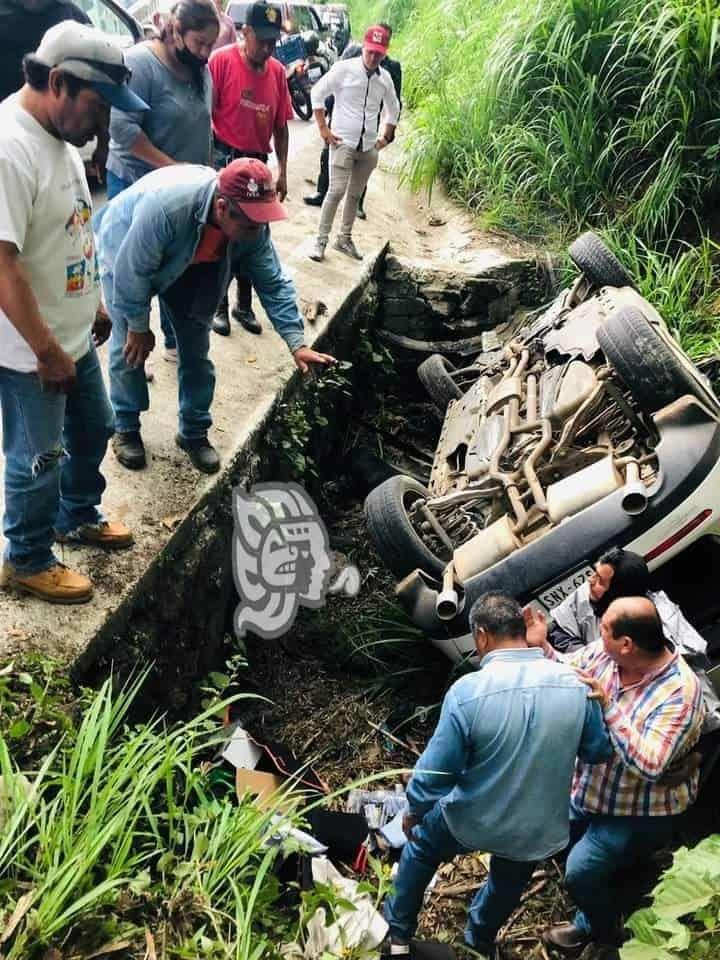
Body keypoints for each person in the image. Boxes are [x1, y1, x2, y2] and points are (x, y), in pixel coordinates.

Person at [0, 23, 148, 604]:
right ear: (58, 82)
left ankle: (76, 513)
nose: (104, 123)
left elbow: (70, 235)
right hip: (29, 350)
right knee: (37, 458)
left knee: (95, 425)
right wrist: (45, 351)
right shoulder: (10, 149)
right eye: (99, 104)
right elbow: (3, 265)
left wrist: (96, 303)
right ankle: (28, 558)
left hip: (73, 334)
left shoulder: (58, 138)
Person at [382, 592, 612, 960]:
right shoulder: (576, 685)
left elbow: (435, 774)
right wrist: (600, 706)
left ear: (482, 636)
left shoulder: (469, 692)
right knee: (508, 881)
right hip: (536, 827)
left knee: (422, 847)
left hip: (472, 818)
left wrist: (414, 809)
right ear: (521, 629)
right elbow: (598, 752)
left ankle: (397, 935)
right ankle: (479, 941)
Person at [94, 158, 336, 474]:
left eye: (262, 223)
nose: (257, 232)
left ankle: (193, 432)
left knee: (196, 350)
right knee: (130, 348)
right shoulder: (168, 209)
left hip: (197, 263)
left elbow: (273, 281)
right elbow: (131, 272)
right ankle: (126, 425)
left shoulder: (251, 229)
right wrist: (139, 327)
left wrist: (296, 342)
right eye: (251, 224)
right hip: (125, 249)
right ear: (222, 207)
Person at [525, 597, 705, 954]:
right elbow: (569, 669)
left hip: (638, 810)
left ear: (627, 643)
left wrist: (608, 707)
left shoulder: (680, 693)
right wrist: (542, 647)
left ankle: (602, 930)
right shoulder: (607, 654)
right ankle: (627, 876)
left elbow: (651, 764)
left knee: (580, 872)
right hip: (591, 788)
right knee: (562, 839)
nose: (597, 629)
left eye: (604, 627)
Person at [106, 0, 219, 362]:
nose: (206, 52)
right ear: (176, 31)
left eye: (211, 45)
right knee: (132, 272)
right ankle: (129, 350)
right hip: (136, 186)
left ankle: (172, 339)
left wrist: (205, 171)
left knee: (178, 268)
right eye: (200, 42)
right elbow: (122, 129)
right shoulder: (141, 65)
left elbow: (204, 125)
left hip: (188, 194)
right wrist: (174, 170)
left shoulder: (200, 69)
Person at [549, 547, 720, 730]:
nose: (590, 581)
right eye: (594, 574)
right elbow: (560, 630)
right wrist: (591, 665)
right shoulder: (587, 593)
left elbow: (688, 673)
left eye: (600, 580)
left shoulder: (655, 625)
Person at [208, 1, 292, 337]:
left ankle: (244, 305)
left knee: (254, 232)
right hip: (223, 158)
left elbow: (282, 126)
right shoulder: (221, 61)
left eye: (274, 42)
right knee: (222, 233)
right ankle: (219, 306)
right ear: (245, 32)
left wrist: (283, 169)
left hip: (257, 161)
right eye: (263, 40)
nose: (270, 48)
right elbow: (204, 114)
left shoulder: (277, 73)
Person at [307, 24, 400, 263]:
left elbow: (394, 107)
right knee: (335, 191)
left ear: (385, 52)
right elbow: (317, 93)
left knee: (354, 195)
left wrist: (386, 135)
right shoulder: (344, 69)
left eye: (378, 53)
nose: (373, 57)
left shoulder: (385, 79)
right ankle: (320, 240)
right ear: (363, 46)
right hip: (342, 142)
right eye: (370, 51)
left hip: (368, 147)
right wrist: (323, 129)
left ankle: (344, 238)